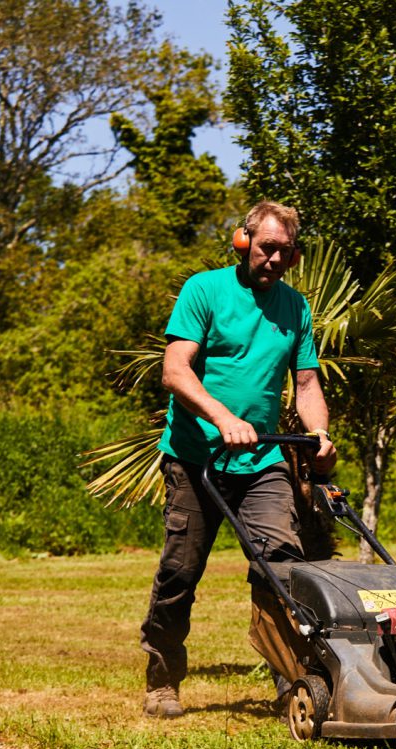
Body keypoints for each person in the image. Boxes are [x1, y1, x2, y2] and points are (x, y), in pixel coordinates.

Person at [141, 200, 337, 718]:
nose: (274, 259)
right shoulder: (204, 290)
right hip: (194, 457)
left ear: (294, 256)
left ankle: (292, 682)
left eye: (284, 251)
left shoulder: (296, 307)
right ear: (243, 241)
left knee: (282, 569)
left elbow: (306, 383)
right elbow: (175, 372)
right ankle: (162, 680)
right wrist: (224, 418)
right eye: (266, 247)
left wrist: (319, 433)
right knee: (180, 573)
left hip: (263, 459)